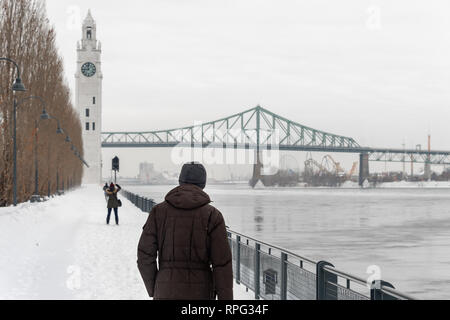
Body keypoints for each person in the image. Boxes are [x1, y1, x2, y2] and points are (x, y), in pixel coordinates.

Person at [137, 162, 233, 300]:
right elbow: (222, 263)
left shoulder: (158, 212)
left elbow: (145, 255)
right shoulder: (213, 215)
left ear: (180, 181)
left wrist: (155, 286)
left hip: (165, 290)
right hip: (201, 292)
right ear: (203, 184)